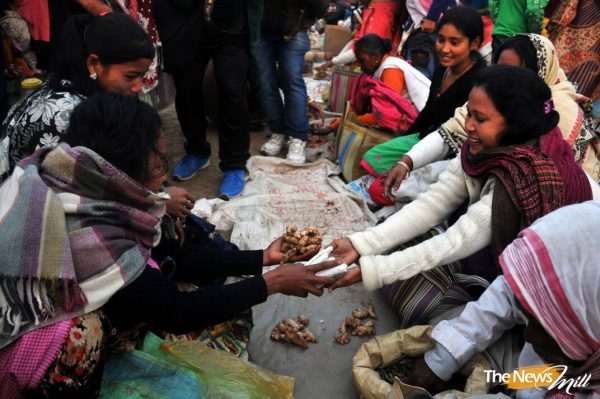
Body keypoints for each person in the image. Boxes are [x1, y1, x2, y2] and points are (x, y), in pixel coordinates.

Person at [0, 93, 337, 397]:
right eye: (159, 162)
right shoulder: (90, 236)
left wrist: (262, 258)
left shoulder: (79, 181)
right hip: (25, 354)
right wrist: (273, 282)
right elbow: (177, 312)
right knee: (81, 335)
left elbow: (169, 255)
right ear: (121, 167)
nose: (164, 177)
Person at [327, 65, 598, 327]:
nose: (468, 126)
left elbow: (456, 241)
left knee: (429, 309)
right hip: (497, 245)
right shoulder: (484, 148)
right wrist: (360, 244)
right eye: (469, 114)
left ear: (515, 123)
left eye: (479, 119)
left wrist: (370, 271)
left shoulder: (526, 177)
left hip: (570, 283)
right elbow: (434, 203)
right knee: (403, 252)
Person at [0, 12, 196, 220]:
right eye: (130, 76)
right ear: (94, 64)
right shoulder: (66, 116)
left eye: (142, 75)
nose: (138, 87)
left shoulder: (73, 92)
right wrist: (159, 201)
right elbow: (89, 198)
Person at [405, 201, 600, 398]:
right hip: (536, 371)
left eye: (542, 326)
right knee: (441, 326)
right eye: (531, 320)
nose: (528, 335)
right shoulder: (577, 249)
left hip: (551, 377)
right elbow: (509, 293)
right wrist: (443, 359)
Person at [383, 33, 599, 202]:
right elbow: (452, 128)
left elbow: (556, 182)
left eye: (514, 73)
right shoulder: (492, 94)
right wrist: (407, 162)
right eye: (500, 70)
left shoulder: (558, 109)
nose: (504, 80)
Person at [361, 6, 486, 205]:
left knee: (380, 188)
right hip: (426, 136)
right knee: (372, 157)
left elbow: (459, 134)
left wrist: (415, 153)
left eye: (455, 42)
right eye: (441, 39)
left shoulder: (478, 81)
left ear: (475, 43)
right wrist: (407, 140)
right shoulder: (442, 70)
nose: (445, 49)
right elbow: (429, 111)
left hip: (451, 150)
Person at [154, 0, 261, 199]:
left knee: (232, 91)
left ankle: (234, 164)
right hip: (187, 23)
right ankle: (196, 151)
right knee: (186, 89)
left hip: (232, 27)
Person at [254, 0, 329, 164]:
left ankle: (297, 137)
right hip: (262, 29)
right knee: (263, 82)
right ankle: (278, 131)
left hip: (295, 30)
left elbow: (322, 8)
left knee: (292, 79)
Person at [349, 33, 429, 131]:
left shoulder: (390, 70)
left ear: (376, 57)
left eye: (362, 60)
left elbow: (385, 114)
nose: (360, 67)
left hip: (424, 124)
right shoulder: (384, 67)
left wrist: (354, 121)